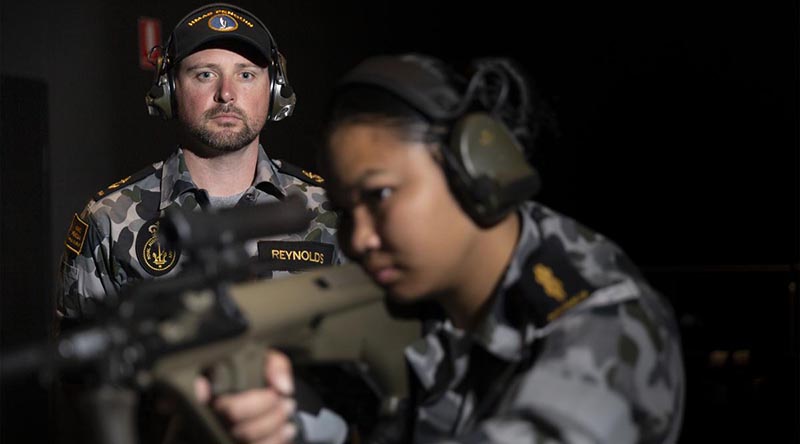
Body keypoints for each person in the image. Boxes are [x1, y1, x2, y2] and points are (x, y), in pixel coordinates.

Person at [314, 53, 686, 443]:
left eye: (380, 195)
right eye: (344, 210)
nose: (358, 239)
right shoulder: (422, 298)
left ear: (474, 168)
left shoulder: (605, 327)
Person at [55, 3, 345, 444]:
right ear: (170, 89)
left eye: (246, 74)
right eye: (205, 74)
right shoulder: (110, 219)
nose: (227, 94)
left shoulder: (329, 210)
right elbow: (81, 386)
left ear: (275, 91)